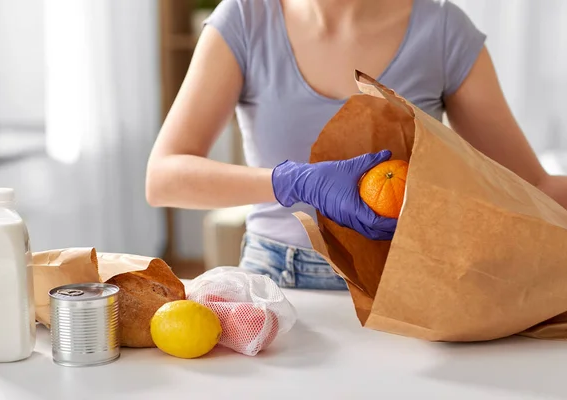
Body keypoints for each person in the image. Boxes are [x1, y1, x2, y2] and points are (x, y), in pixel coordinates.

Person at [146, 0, 567, 290]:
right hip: (275, 280)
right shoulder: (245, 19)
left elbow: (532, 188)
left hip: (408, 282)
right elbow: (163, 177)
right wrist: (292, 181)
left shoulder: (440, 31)